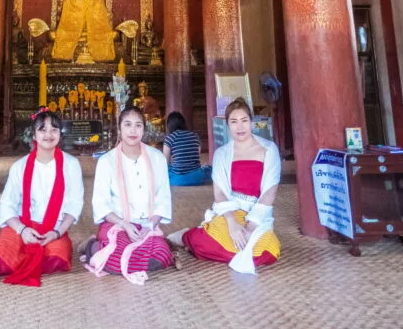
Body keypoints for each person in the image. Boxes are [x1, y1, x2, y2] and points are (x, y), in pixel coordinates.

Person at [0, 110, 84, 286]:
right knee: (4, 261)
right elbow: (7, 204)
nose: (49, 135)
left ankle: (14, 244)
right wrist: (23, 230)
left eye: (54, 130)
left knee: (58, 259)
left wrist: (57, 232)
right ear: (33, 135)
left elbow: (75, 203)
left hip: (54, 228)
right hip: (22, 225)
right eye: (42, 130)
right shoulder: (20, 166)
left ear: (60, 133)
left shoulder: (71, 164)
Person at [170, 97, 281, 274]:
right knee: (207, 243)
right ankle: (187, 236)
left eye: (244, 120)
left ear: (251, 122)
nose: (240, 127)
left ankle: (208, 235)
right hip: (231, 210)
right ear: (227, 125)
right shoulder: (222, 153)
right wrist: (233, 224)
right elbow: (220, 194)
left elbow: (269, 193)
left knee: (267, 253)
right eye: (234, 122)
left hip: (257, 212)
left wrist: (250, 227)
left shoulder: (269, 149)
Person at [81, 106, 175, 284]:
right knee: (118, 257)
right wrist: (124, 224)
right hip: (117, 225)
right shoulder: (106, 161)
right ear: (119, 128)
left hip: (147, 225)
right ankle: (93, 246)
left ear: (144, 129)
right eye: (128, 124)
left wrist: (149, 226)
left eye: (138, 125)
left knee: (162, 255)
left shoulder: (157, 158)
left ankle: (109, 251)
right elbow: (101, 204)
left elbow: (163, 198)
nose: (133, 130)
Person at [51, 0, 117, 61]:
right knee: (54, 35)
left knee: (113, 35)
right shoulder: (69, 0)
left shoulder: (97, 0)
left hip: (93, 33)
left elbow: (101, 23)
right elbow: (65, 24)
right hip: (73, 33)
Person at [163, 111, 212, 186]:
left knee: (164, 169)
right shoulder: (195, 136)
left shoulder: (170, 138)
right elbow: (197, 157)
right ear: (183, 123)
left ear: (169, 125)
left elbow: (165, 162)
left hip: (176, 180)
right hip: (196, 178)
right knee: (208, 168)